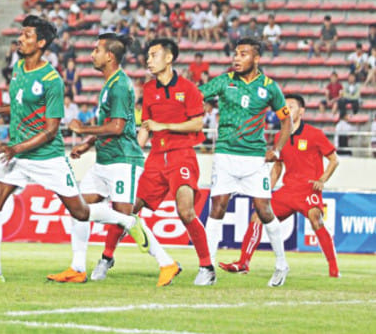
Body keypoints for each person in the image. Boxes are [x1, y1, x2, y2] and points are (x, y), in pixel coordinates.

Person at [0, 17, 148, 284]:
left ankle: (128, 222)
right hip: (17, 155)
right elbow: (20, 105)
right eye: (21, 33)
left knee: (81, 212)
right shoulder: (18, 68)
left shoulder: (52, 80)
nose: (20, 38)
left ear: (41, 43)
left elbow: (51, 130)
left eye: (27, 35)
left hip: (46, 157)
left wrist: (16, 147)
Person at [48, 34, 175, 286]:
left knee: (124, 217)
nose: (92, 54)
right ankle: (77, 268)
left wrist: (83, 130)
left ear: (109, 56)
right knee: (78, 208)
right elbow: (109, 124)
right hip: (104, 161)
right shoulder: (110, 83)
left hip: (123, 161)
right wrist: (87, 144)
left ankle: (166, 262)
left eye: (96, 50)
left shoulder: (119, 85)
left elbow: (117, 127)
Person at [199, 38, 293, 287]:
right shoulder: (224, 80)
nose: (236, 58)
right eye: (235, 54)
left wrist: (277, 149)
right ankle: (207, 267)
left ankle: (281, 264)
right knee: (217, 207)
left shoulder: (269, 87)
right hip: (225, 154)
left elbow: (287, 121)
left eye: (243, 54)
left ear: (256, 58)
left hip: (254, 158)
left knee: (264, 210)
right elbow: (197, 95)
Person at [220, 95, 340, 278]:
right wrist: (264, 191)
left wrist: (322, 180)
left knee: (316, 218)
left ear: (301, 111)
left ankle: (333, 269)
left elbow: (334, 159)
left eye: (291, 106)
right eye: (285, 107)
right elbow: (277, 167)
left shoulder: (314, 134)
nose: (287, 110)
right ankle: (243, 263)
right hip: (287, 190)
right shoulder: (279, 136)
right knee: (257, 216)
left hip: (308, 189)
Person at [135, 39, 215, 285]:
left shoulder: (189, 88)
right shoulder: (148, 89)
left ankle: (207, 267)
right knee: (128, 208)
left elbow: (197, 123)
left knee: (185, 211)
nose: (148, 60)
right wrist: (134, 153)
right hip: (155, 158)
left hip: (181, 154)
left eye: (154, 55)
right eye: (148, 56)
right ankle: (106, 258)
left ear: (169, 58)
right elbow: (146, 126)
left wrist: (164, 126)